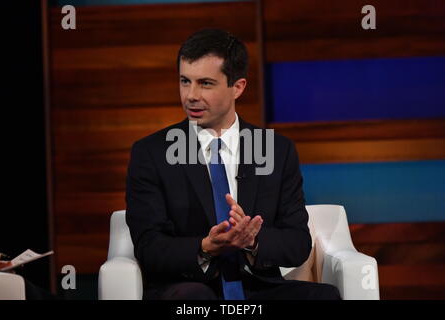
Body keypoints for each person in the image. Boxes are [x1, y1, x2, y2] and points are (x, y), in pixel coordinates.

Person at [126, 28, 340, 300]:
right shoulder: (152, 153)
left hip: (258, 286)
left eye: (205, 83)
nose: (190, 95)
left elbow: (297, 243)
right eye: (184, 81)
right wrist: (206, 247)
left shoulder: (276, 150)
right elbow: (149, 247)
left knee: (323, 297)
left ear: (237, 87)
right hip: (188, 287)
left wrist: (252, 240)